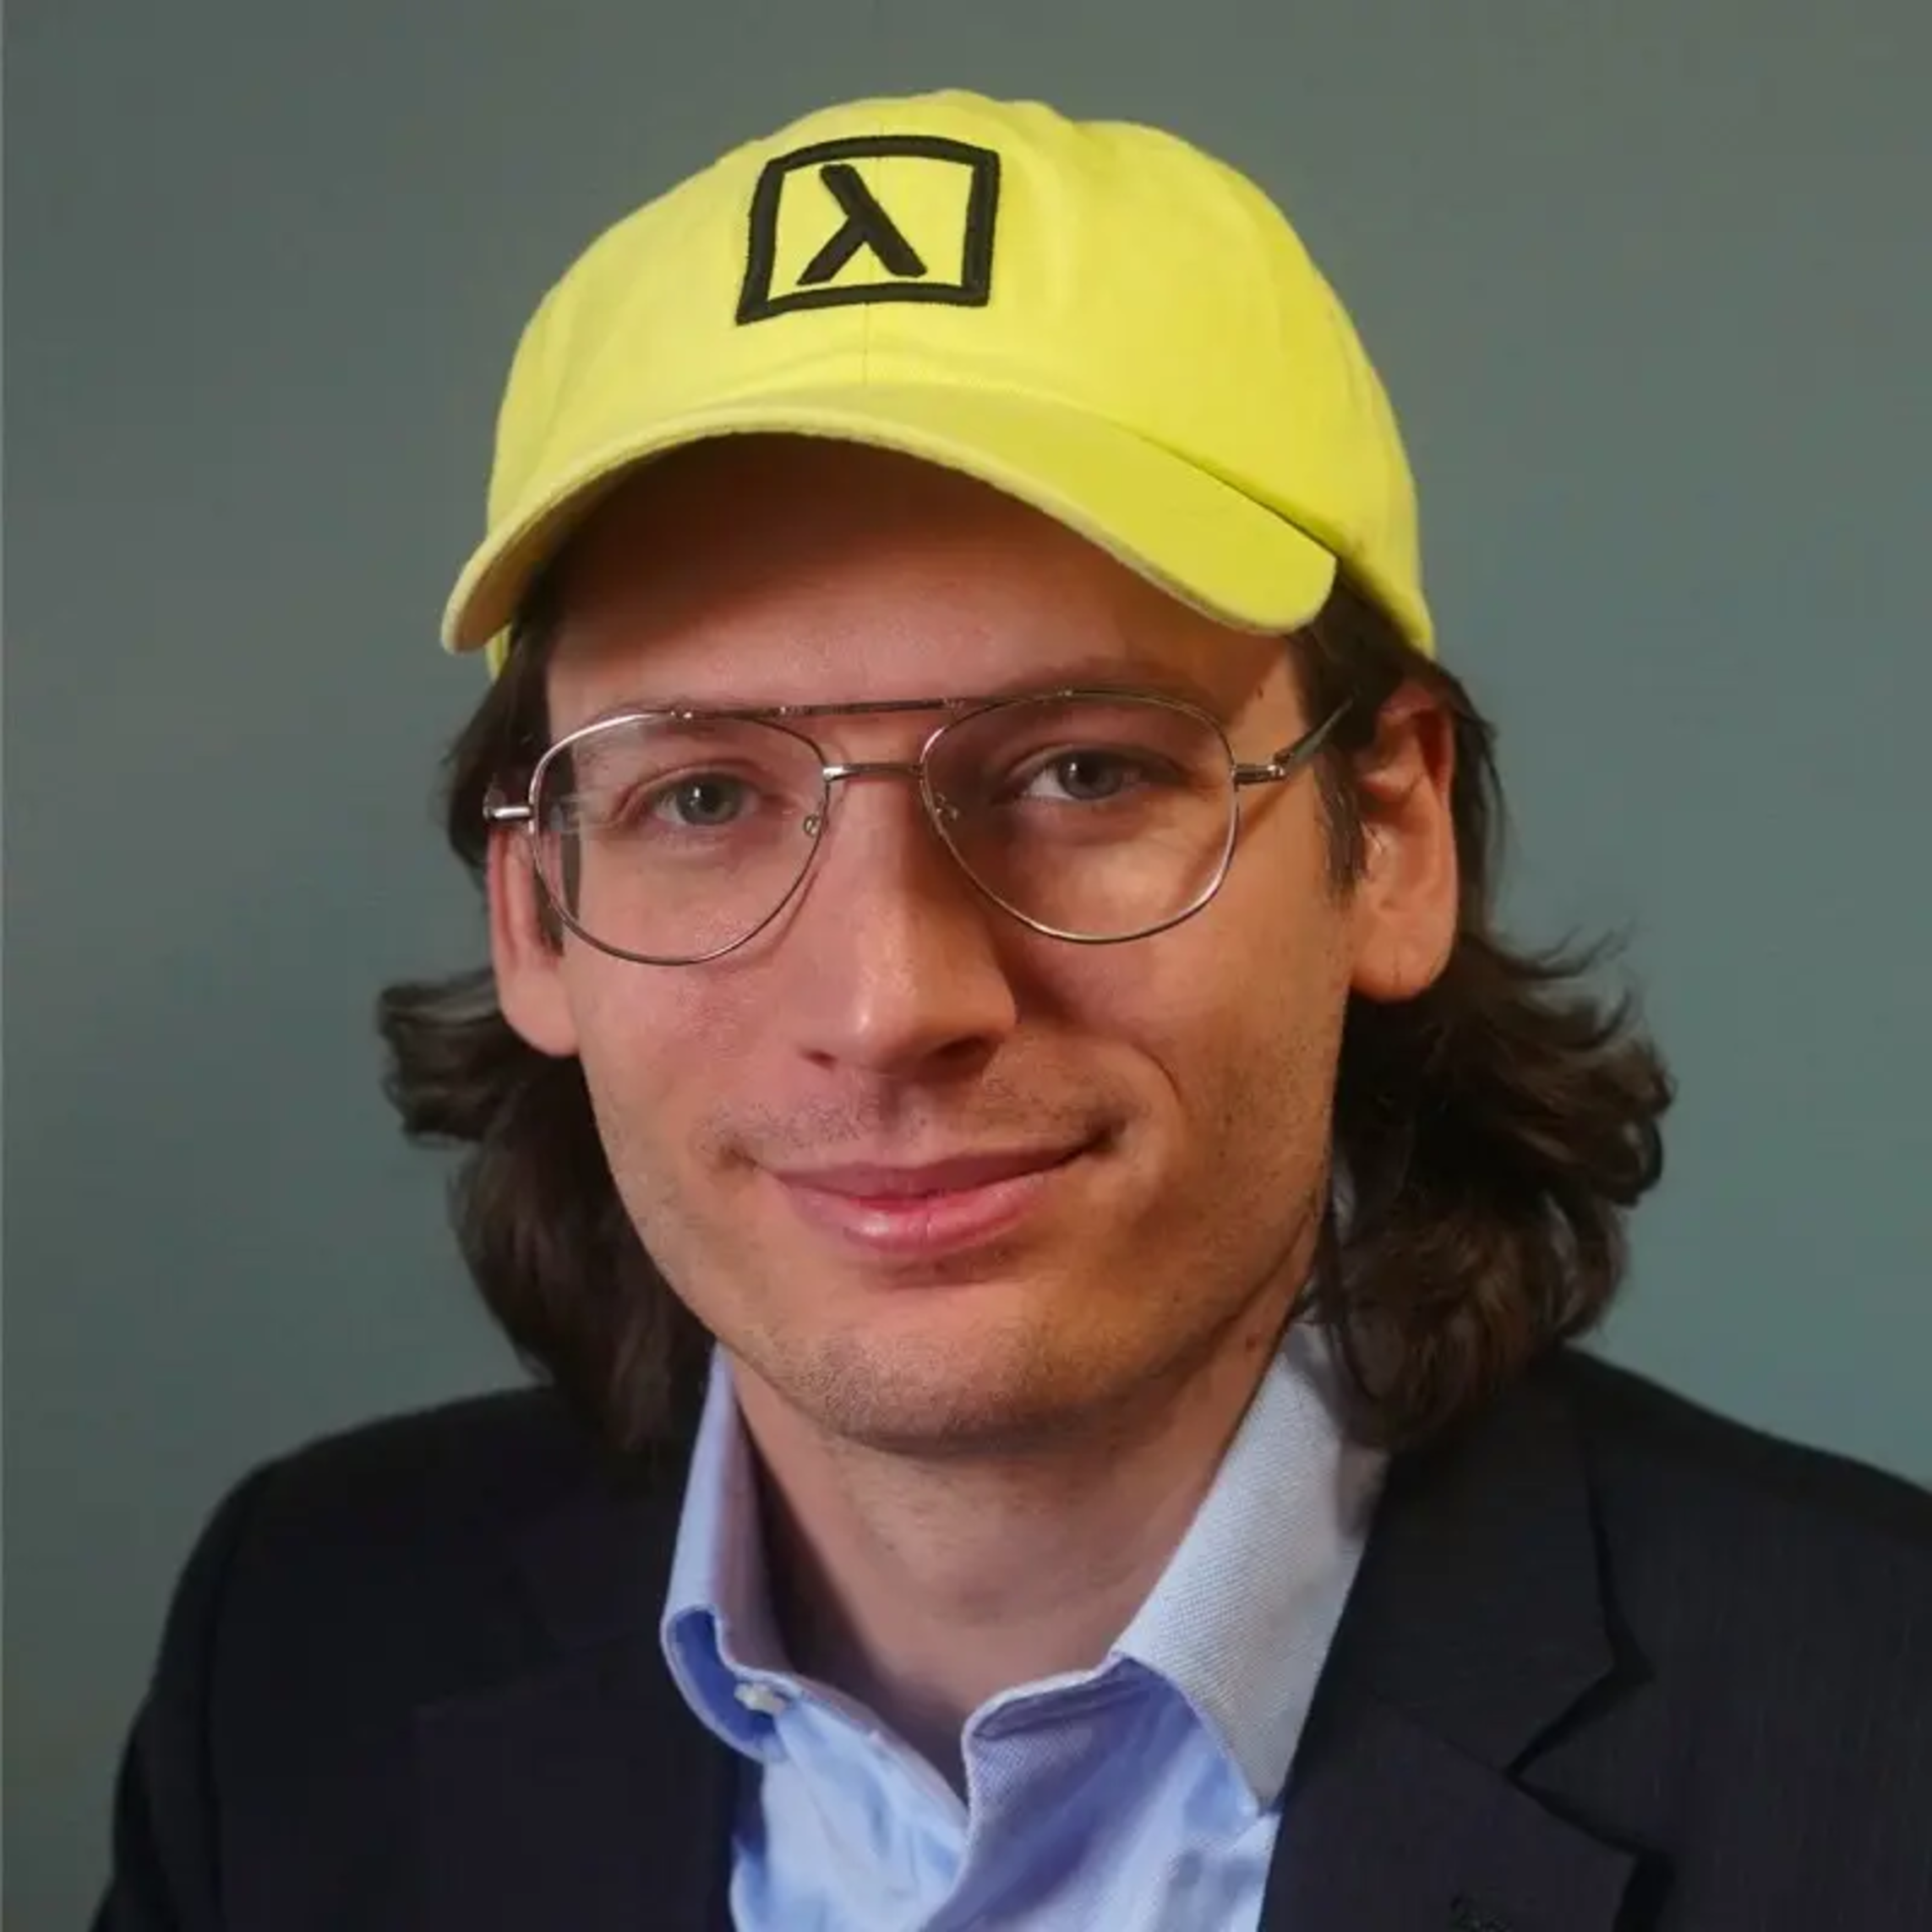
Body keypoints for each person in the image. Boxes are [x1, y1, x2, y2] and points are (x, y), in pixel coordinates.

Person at [96, 89, 1931, 1932]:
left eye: (1082, 771)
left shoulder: (1879, 1741)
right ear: (533, 914)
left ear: (1387, 836)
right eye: (705, 796)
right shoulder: (300, 1661)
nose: (892, 1000)